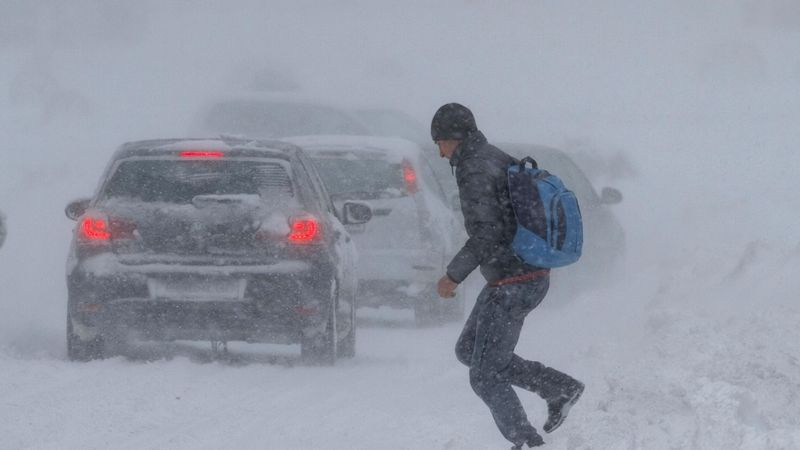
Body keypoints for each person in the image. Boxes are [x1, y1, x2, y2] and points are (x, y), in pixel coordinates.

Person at [431, 103, 584, 449]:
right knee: (470, 349)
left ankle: (526, 443)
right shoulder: (491, 156)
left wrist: (452, 276)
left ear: (452, 139)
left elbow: (487, 233)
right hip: (520, 275)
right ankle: (558, 387)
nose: (439, 153)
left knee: (484, 375)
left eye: (439, 142)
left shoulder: (474, 168)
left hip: (514, 281)